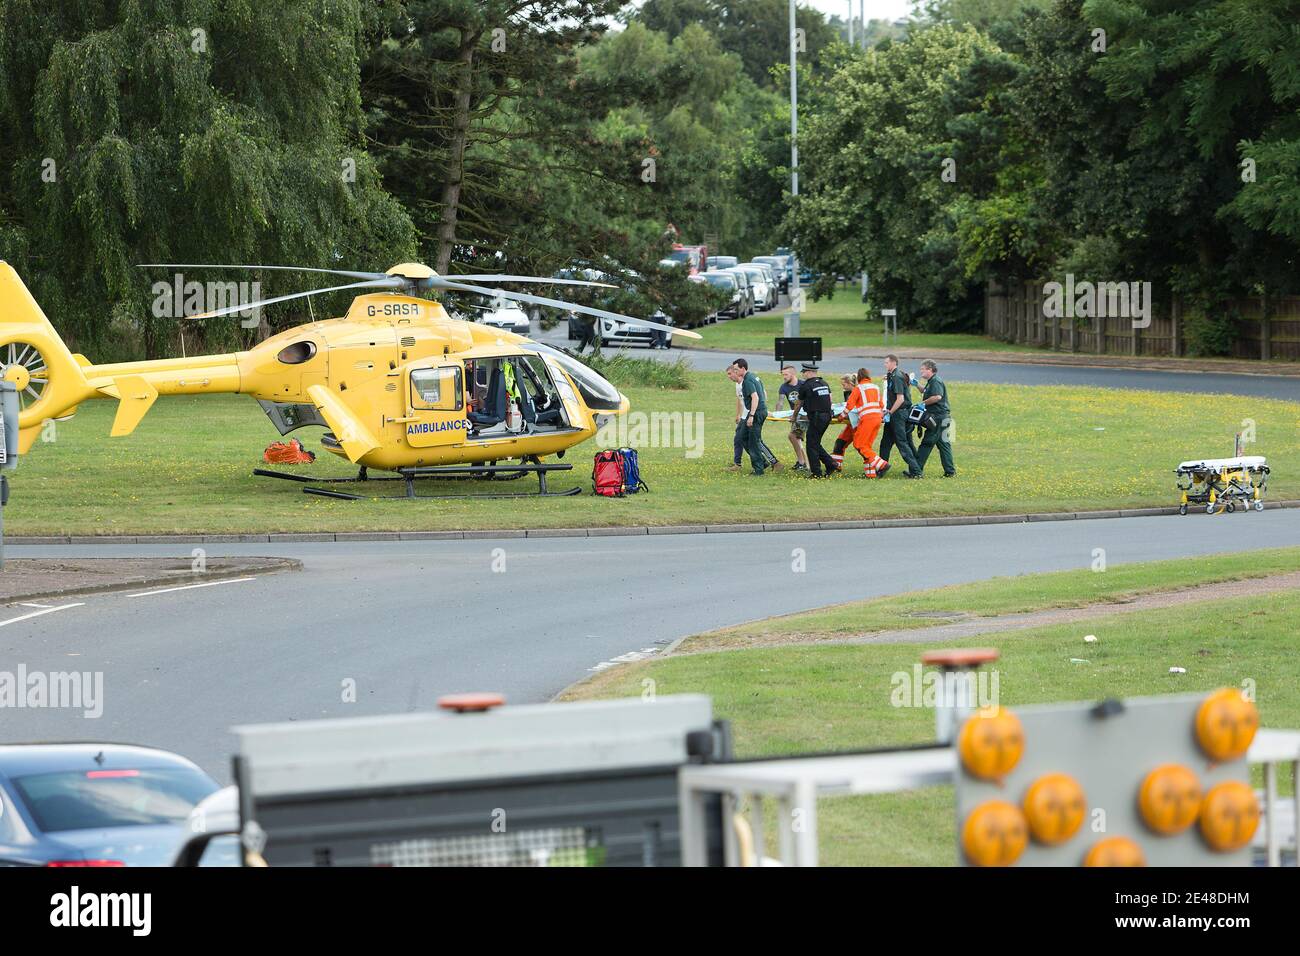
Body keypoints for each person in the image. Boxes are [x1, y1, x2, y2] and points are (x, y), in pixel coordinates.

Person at [727, 362, 776, 475]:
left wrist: (752, 415)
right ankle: (762, 462)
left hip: (755, 413)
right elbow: (763, 393)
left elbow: (755, 397)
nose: (735, 372)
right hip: (756, 411)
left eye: (736, 369)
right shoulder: (754, 377)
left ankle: (758, 470)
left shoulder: (747, 380)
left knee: (753, 442)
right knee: (742, 437)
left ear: (743, 368)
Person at [878, 354, 922, 478]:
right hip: (893, 414)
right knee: (885, 443)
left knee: (902, 443)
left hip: (898, 414)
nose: (884, 364)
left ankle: (917, 472)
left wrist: (890, 412)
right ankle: (881, 469)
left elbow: (900, 399)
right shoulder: (893, 375)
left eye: (886, 362)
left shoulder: (897, 376)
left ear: (893, 363)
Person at [792, 363, 839, 477]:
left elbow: (799, 403)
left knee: (811, 445)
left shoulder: (806, 386)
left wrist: (794, 416)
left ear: (808, 372)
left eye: (803, 372)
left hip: (817, 418)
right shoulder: (824, 383)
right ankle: (831, 464)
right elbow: (830, 399)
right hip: (826, 416)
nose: (802, 374)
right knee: (815, 443)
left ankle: (816, 472)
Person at [842, 368, 890, 477]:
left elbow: (849, 405)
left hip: (868, 419)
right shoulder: (875, 387)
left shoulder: (859, 388)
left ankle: (882, 464)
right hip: (877, 418)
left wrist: (842, 416)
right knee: (867, 446)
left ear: (859, 377)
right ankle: (870, 474)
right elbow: (881, 404)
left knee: (859, 444)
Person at [915, 360, 956, 477]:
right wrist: (916, 384)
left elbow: (937, 397)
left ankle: (916, 470)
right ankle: (950, 471)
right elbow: (925, 391)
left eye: (923, 369)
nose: (921, 371)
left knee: (926, 443)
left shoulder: (936, 381)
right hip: (943, 417)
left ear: (930, 369)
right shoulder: (931, 381)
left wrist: (923, 403)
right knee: (944, 444)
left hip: (938, 417)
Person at [777, 365, 809, 472]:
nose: (784, 377)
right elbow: (780, 402)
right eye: (783, 375)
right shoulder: (783, 387)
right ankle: (801, 462)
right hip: (795, 416)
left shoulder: (803, 384)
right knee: (796, 438)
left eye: (786, 374)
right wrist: (778, 414)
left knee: (793, 436)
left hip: (804, 415)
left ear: (793, 374)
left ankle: (802, 463)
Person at [829, 373, 857, 470]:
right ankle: (836, 466)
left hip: (858, 425)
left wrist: (838, 416)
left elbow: (851, 409)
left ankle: (878, 466)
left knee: (861, 447)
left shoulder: (857, 393)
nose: (843, 387)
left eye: (844, 384)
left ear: (850, 383)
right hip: (851, 424)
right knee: (840, 443)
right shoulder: (848, 392)